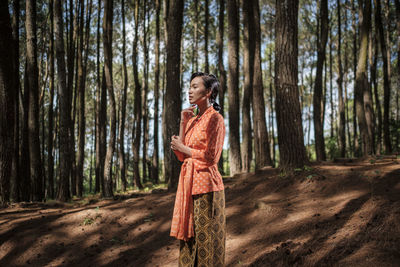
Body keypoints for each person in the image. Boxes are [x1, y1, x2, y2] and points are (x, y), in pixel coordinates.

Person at [170, 72, 226, 266]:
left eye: (195, 87)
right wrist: (183, 122)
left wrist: (183, 148)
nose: (189, 91)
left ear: (208, 92)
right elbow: (181, 156)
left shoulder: (215, 119)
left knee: (207, 239)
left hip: (206, 187)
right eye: (190, 86)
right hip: (188, 185)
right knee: (189, 240)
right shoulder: (193, 120)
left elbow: (211, 157)